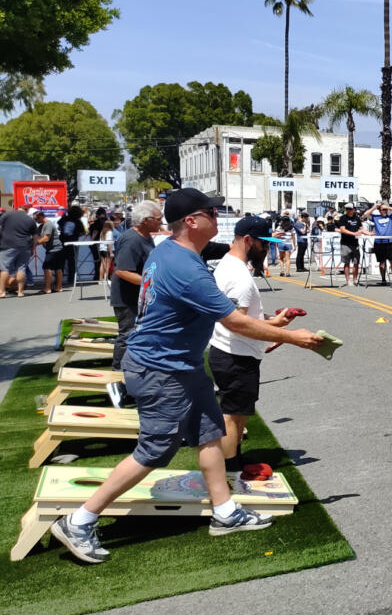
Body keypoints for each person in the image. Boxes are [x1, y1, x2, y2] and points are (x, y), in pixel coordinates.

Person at [49, 189, 323, 564]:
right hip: (159, 368)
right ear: (192, 221)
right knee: (155, 450)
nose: (217, 214)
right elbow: (234, 321)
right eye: (211, 211)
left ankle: (225, 512)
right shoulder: (186, 267)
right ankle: (80, 520)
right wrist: (292, 337)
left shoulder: (169, 251)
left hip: (181, 365)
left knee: (209, 430)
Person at [209, 216, 295, 474]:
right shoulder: (240, 279)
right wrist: (278, 332)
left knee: (237, 415)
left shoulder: (227, 266)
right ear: (247, 240)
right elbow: (240, 324)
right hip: (236, 356)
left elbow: (240, 318)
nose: (267, 250)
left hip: (230, 352)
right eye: (263, 244)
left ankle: (233, 462)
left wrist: (273, 322)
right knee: (233, 419)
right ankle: (230, 472)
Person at [109, 201, 163, 371]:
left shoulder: (145, 237)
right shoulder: (132, 240)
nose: (161, 222)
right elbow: (122, 271)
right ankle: (118, 375)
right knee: (127, 335)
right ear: (146, 220)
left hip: (138, 297)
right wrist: (153, 284)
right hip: (127, 298)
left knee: (137, 334)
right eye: (158, 218)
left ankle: (135, 371)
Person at [0, 207, 38, 297]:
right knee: (21, 268)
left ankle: (2, 292)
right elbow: (35, 237)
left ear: (17, 209)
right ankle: (20, 292)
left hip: (7, 245)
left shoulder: (7, 215)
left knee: (5, 268)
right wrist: (33, 248)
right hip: (25, 246)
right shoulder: (30, 220)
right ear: (27, 211)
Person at [364, 203, 392, 284]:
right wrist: (374, 207)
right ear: (379, 211)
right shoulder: (375, 217)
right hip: (379, 242)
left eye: (386, 210)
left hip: (390, 242)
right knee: (382, 262)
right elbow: (365, 214)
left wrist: (387, 206)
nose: (385, 211)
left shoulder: (391, 217)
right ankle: (383, 279)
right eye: (383, 210)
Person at [33, 210, 66, 294]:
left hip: (55, 249)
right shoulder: (42, 226)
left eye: (36, 219)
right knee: (57, 268)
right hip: (54, 249)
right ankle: (59, 287)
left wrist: (36, 244)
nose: (36, 221)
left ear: (41, 217)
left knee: (47, 267)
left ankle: (48, 288)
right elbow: (36, 234)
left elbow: (46, 238)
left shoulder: (48, 224)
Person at [335, 203, 365, 286]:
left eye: (350, 209)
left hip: (355, 243)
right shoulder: (343, 218)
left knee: (356, 262)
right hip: (345, 243)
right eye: (347, 209)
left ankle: (355, 279)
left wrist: (369, 233)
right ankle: (348, 280)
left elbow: (361, 229)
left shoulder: (357, 218)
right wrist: (354, 233)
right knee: (346, 262)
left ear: (353, 210)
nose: (348, 210)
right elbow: (343, 230)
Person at [60, 204, 86, 287]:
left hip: (62, 242)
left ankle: (59, 278)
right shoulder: (78, 221)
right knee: (72, 262)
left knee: (61, 261)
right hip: (73, 243)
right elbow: (83, 232)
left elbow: (59, 227)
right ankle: (71, 278)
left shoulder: (64, 219)